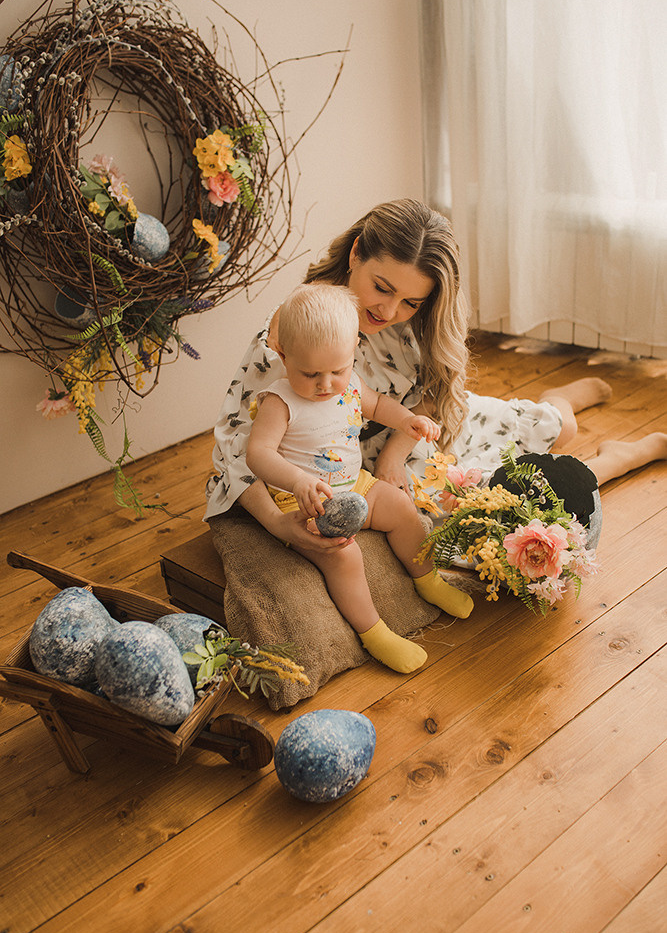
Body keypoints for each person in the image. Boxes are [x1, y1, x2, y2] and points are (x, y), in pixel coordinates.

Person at [205, 198, 667, 551]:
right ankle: (622, 457)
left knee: (560, 428)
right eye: (381, 287)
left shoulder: (410, 325)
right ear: (356, 254)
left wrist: (391, 457)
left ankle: (562, 401)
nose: (389, 311)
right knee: (500, 502)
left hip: (408, 438)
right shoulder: (297, 325)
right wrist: (276, 523)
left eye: (411, 302)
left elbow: (433, 397)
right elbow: (235, 443)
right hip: (337, 467)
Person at [245, 283, 474, 674]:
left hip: (356, 485)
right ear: (283, 354)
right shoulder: (278, 401)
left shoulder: (349, 385)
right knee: (344, 556)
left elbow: (379, 405)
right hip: (305, 504)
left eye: (338, 369)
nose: (326, 384)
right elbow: (257, 455)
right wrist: (297, 481)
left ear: (353, 348)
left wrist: (408, 420)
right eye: (311, 373)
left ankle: (428, 578)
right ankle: (375, 632)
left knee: (402, 508)